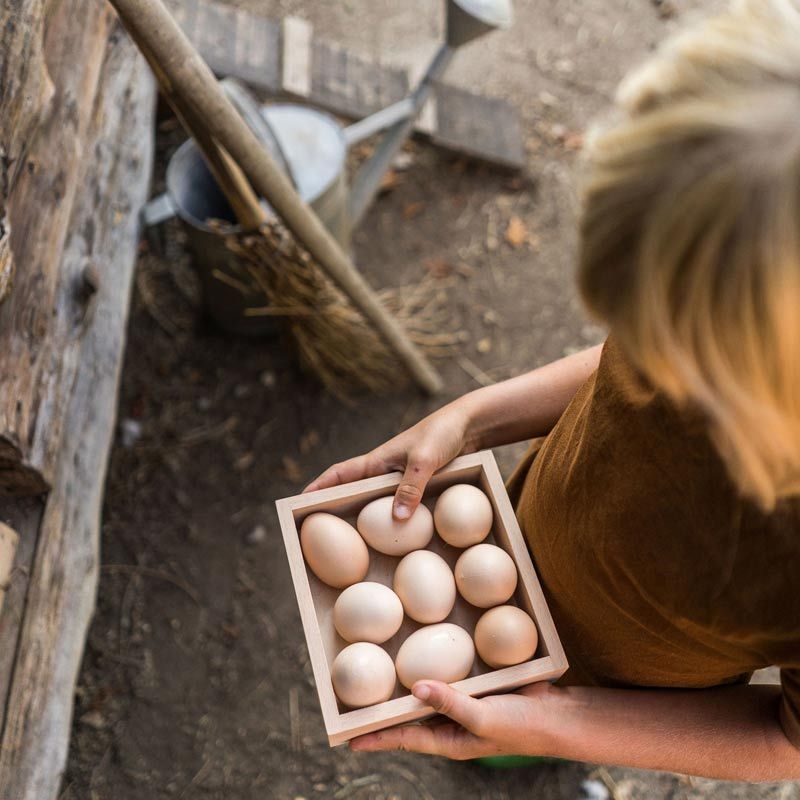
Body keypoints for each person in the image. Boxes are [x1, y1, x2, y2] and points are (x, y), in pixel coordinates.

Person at [305, 0, 800, 781]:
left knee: (507, 748)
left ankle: (528, 759)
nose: (651, 354)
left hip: (622, 689)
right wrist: (474, 419)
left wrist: (561, 721)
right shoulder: (742, 269)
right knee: (489, 698)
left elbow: (785, 741)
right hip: (533, 531)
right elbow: (618, 370)